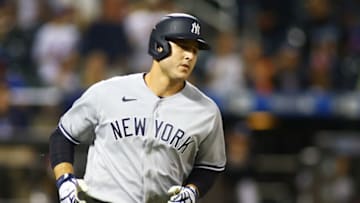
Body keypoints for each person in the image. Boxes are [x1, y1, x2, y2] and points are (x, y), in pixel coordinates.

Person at [49, 13, 227, 203]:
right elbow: (63, 136)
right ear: (160, 45)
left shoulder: (206, 110)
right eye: (183, 46)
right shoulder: (109, 91)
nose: (189, 56)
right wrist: (65, 181)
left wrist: (192, 190)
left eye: (194, 50)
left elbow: (210, 166)